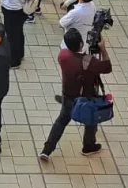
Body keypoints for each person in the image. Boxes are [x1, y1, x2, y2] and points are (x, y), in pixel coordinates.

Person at [39, 29, 112, 161]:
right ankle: (88, 146)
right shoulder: (90, 62)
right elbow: (107, 67)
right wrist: (103, 49)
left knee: (61, 121)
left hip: (68, 96)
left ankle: (47, 150)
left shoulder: (63, 55)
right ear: (80, 43)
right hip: (86, 98)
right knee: (90, 121)